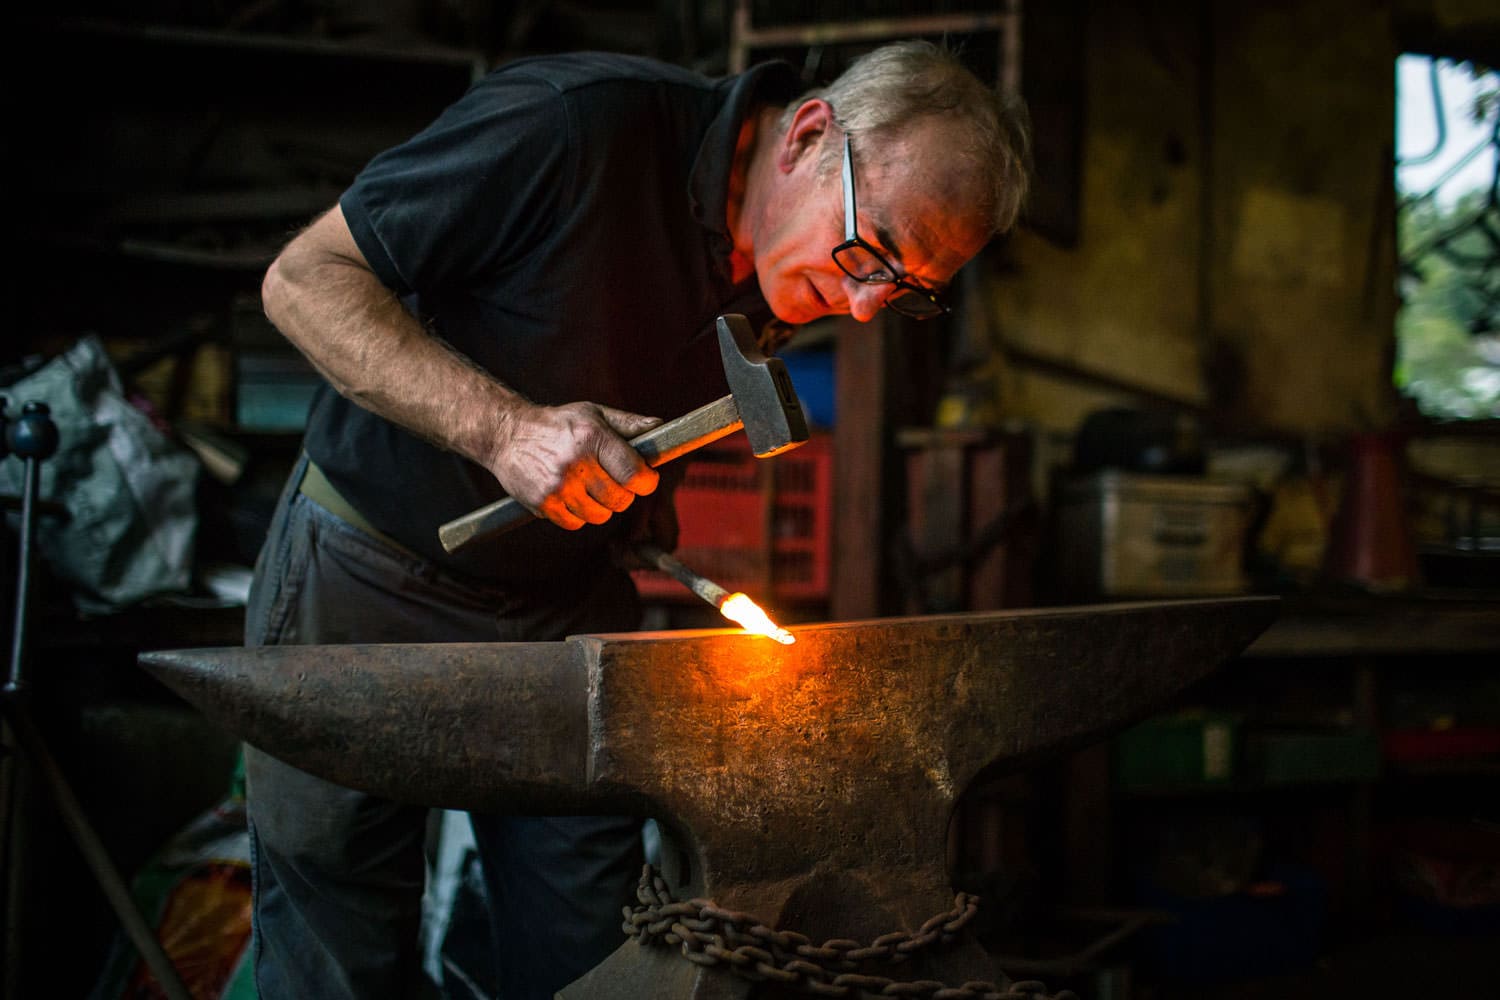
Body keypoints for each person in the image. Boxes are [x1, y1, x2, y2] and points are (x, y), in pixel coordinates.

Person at [247, 38, 1029, 1000]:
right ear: (811, 135)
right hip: (367, 573)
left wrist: (635, 508)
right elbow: (302, 281)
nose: (865, 309)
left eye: (907, 293)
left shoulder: (781, 260)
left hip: (564, 612)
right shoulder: (574, 128)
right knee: (338, 958)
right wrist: (506, 432)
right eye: (873, 254)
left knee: (601, 960)